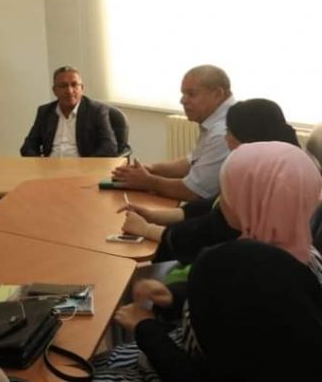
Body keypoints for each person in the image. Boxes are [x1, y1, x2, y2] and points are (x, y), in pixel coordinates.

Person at [96, 141, 322, 381]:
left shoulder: (228, 268)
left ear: (252, 199)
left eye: (229, 190)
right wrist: (175, 296)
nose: (220, 200)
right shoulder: (311, 259)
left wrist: (144, 327)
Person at [120, 98, 298, 262]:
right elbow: (211, 207)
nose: (225, 138)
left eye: (229, 132)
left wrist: (147, 229)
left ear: (247, 137)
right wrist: (153, 215)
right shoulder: (271, 167)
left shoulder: (259, 184)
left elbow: (208, 234)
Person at [113, 65, 234, 201]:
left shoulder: (223, 131)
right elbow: (191, 162)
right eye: (183, 94)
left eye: (191, 94)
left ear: (218, 94)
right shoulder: (217, 120)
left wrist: (147, 181)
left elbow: (194, 191)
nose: (182, 101)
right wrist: (151, 168)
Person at [20, 65, 117, 157]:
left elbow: (109, 147)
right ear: (54, 90)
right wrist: (40, 163)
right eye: (63, 86)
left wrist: (86, 165)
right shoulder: (45, 111)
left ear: (82, 88)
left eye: (74, 85)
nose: (69, 91)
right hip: (50, 166)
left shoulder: (96, 111)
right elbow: (28, 146)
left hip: (82, 166)